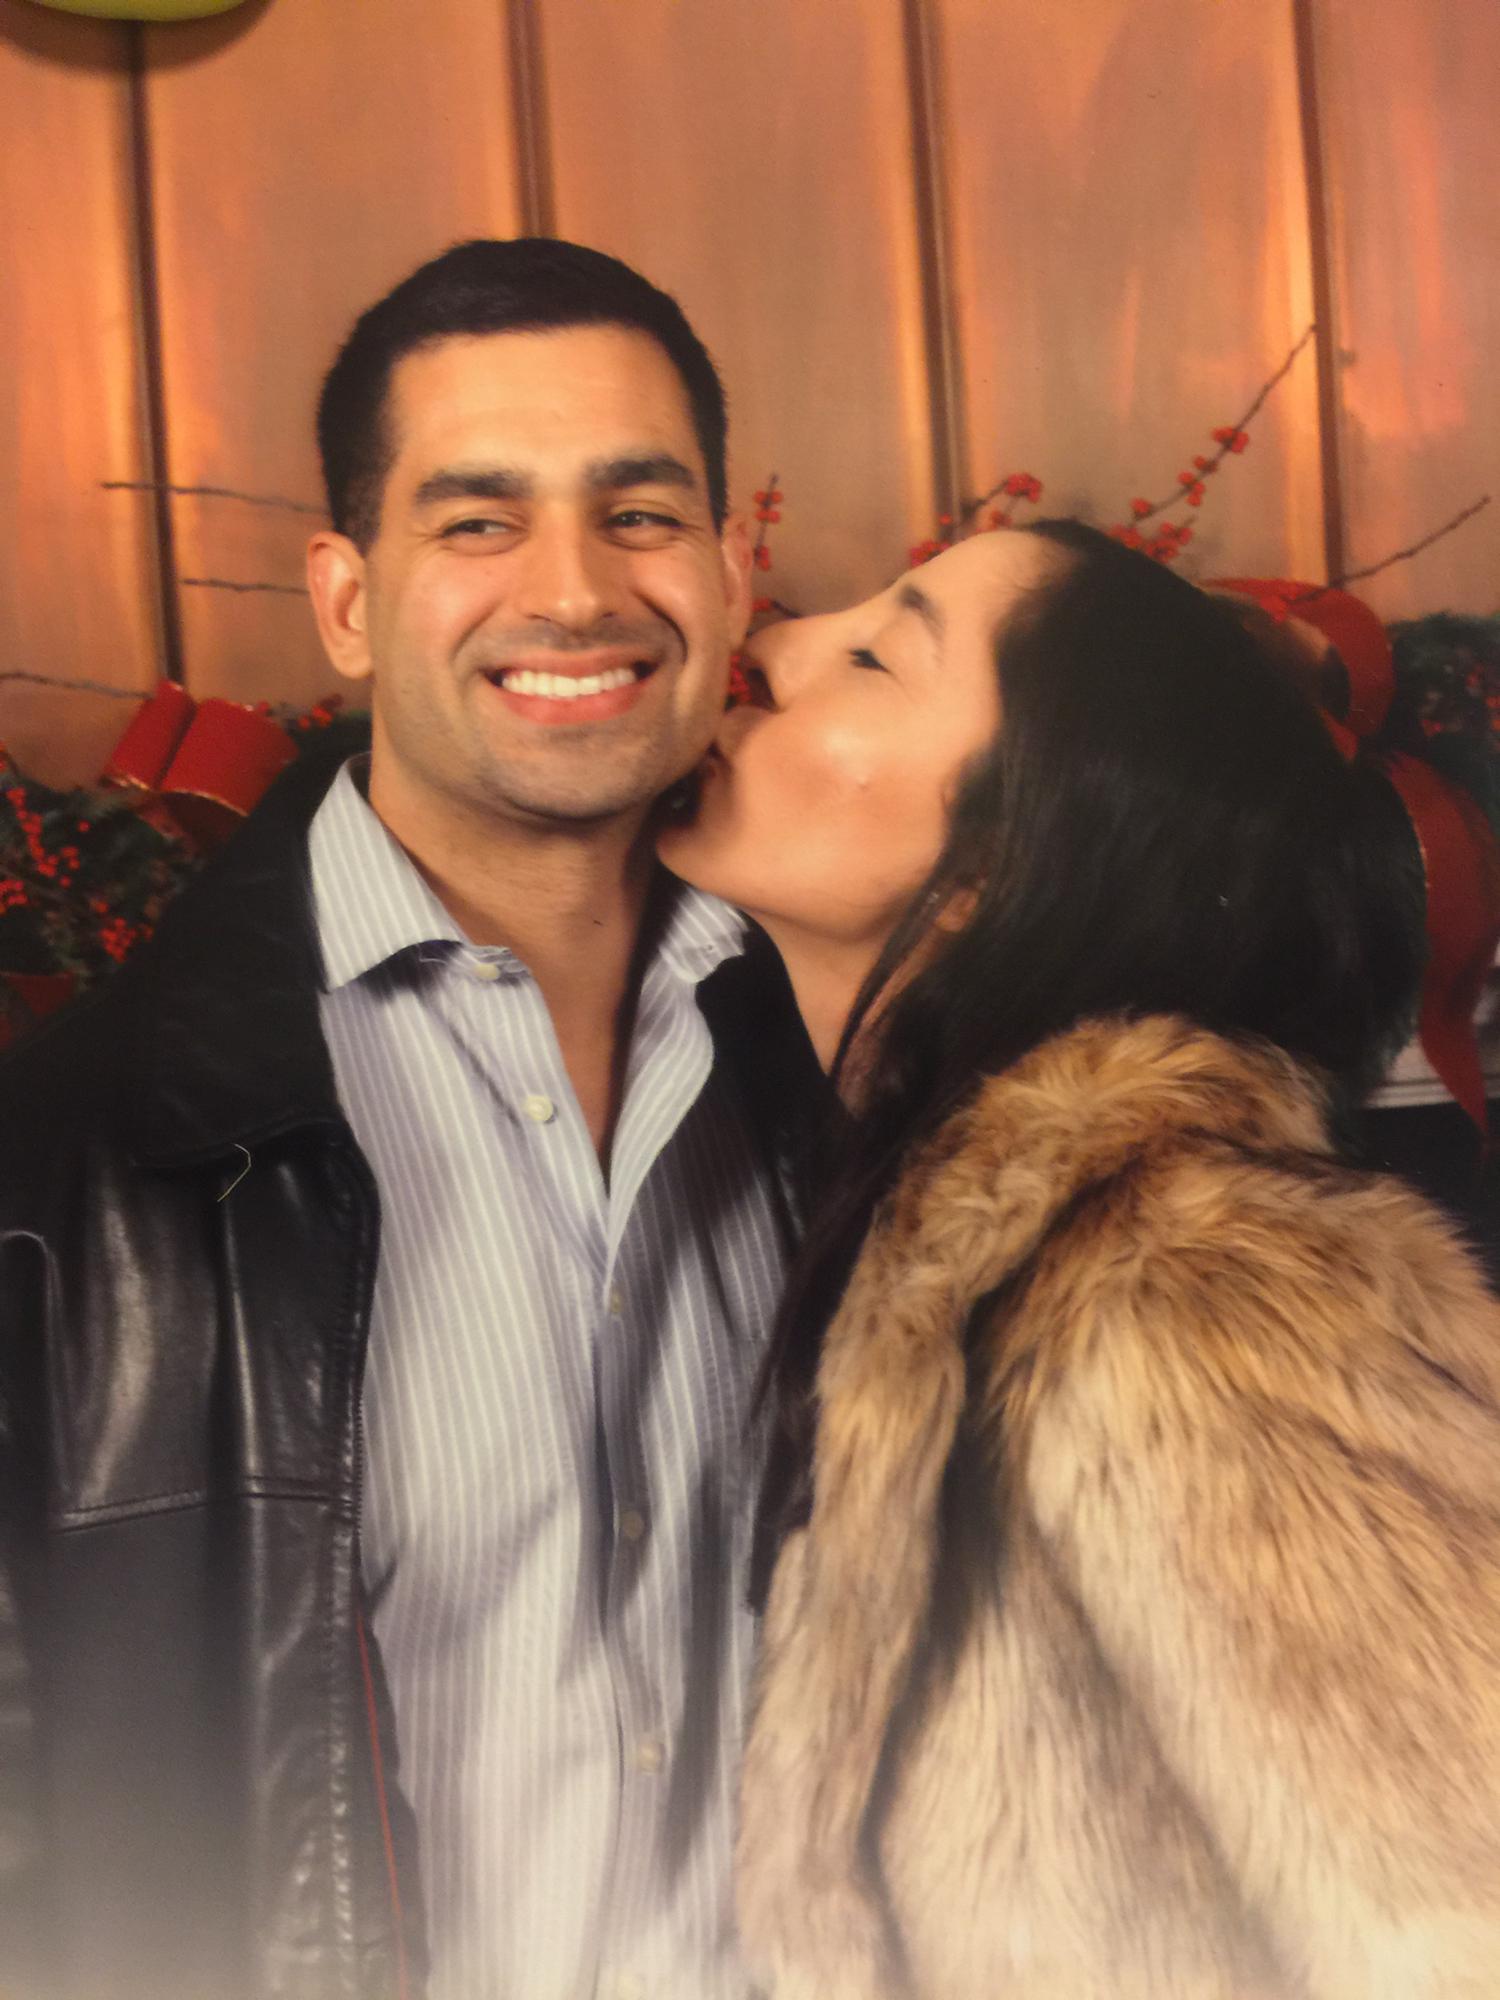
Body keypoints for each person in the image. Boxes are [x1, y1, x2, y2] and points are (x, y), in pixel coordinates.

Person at [0, 239, 803, 2000]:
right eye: (479, 520)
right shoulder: (68, 1165)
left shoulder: (836, 1069)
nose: (575, 591)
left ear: (731, 572)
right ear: (349, 601)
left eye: (641, 513)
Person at [659, 518, 1500, 1998]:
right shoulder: (917, 1240)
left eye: (874, 657)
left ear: (1001, 864)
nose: (776, 643)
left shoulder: (1200, 1291)